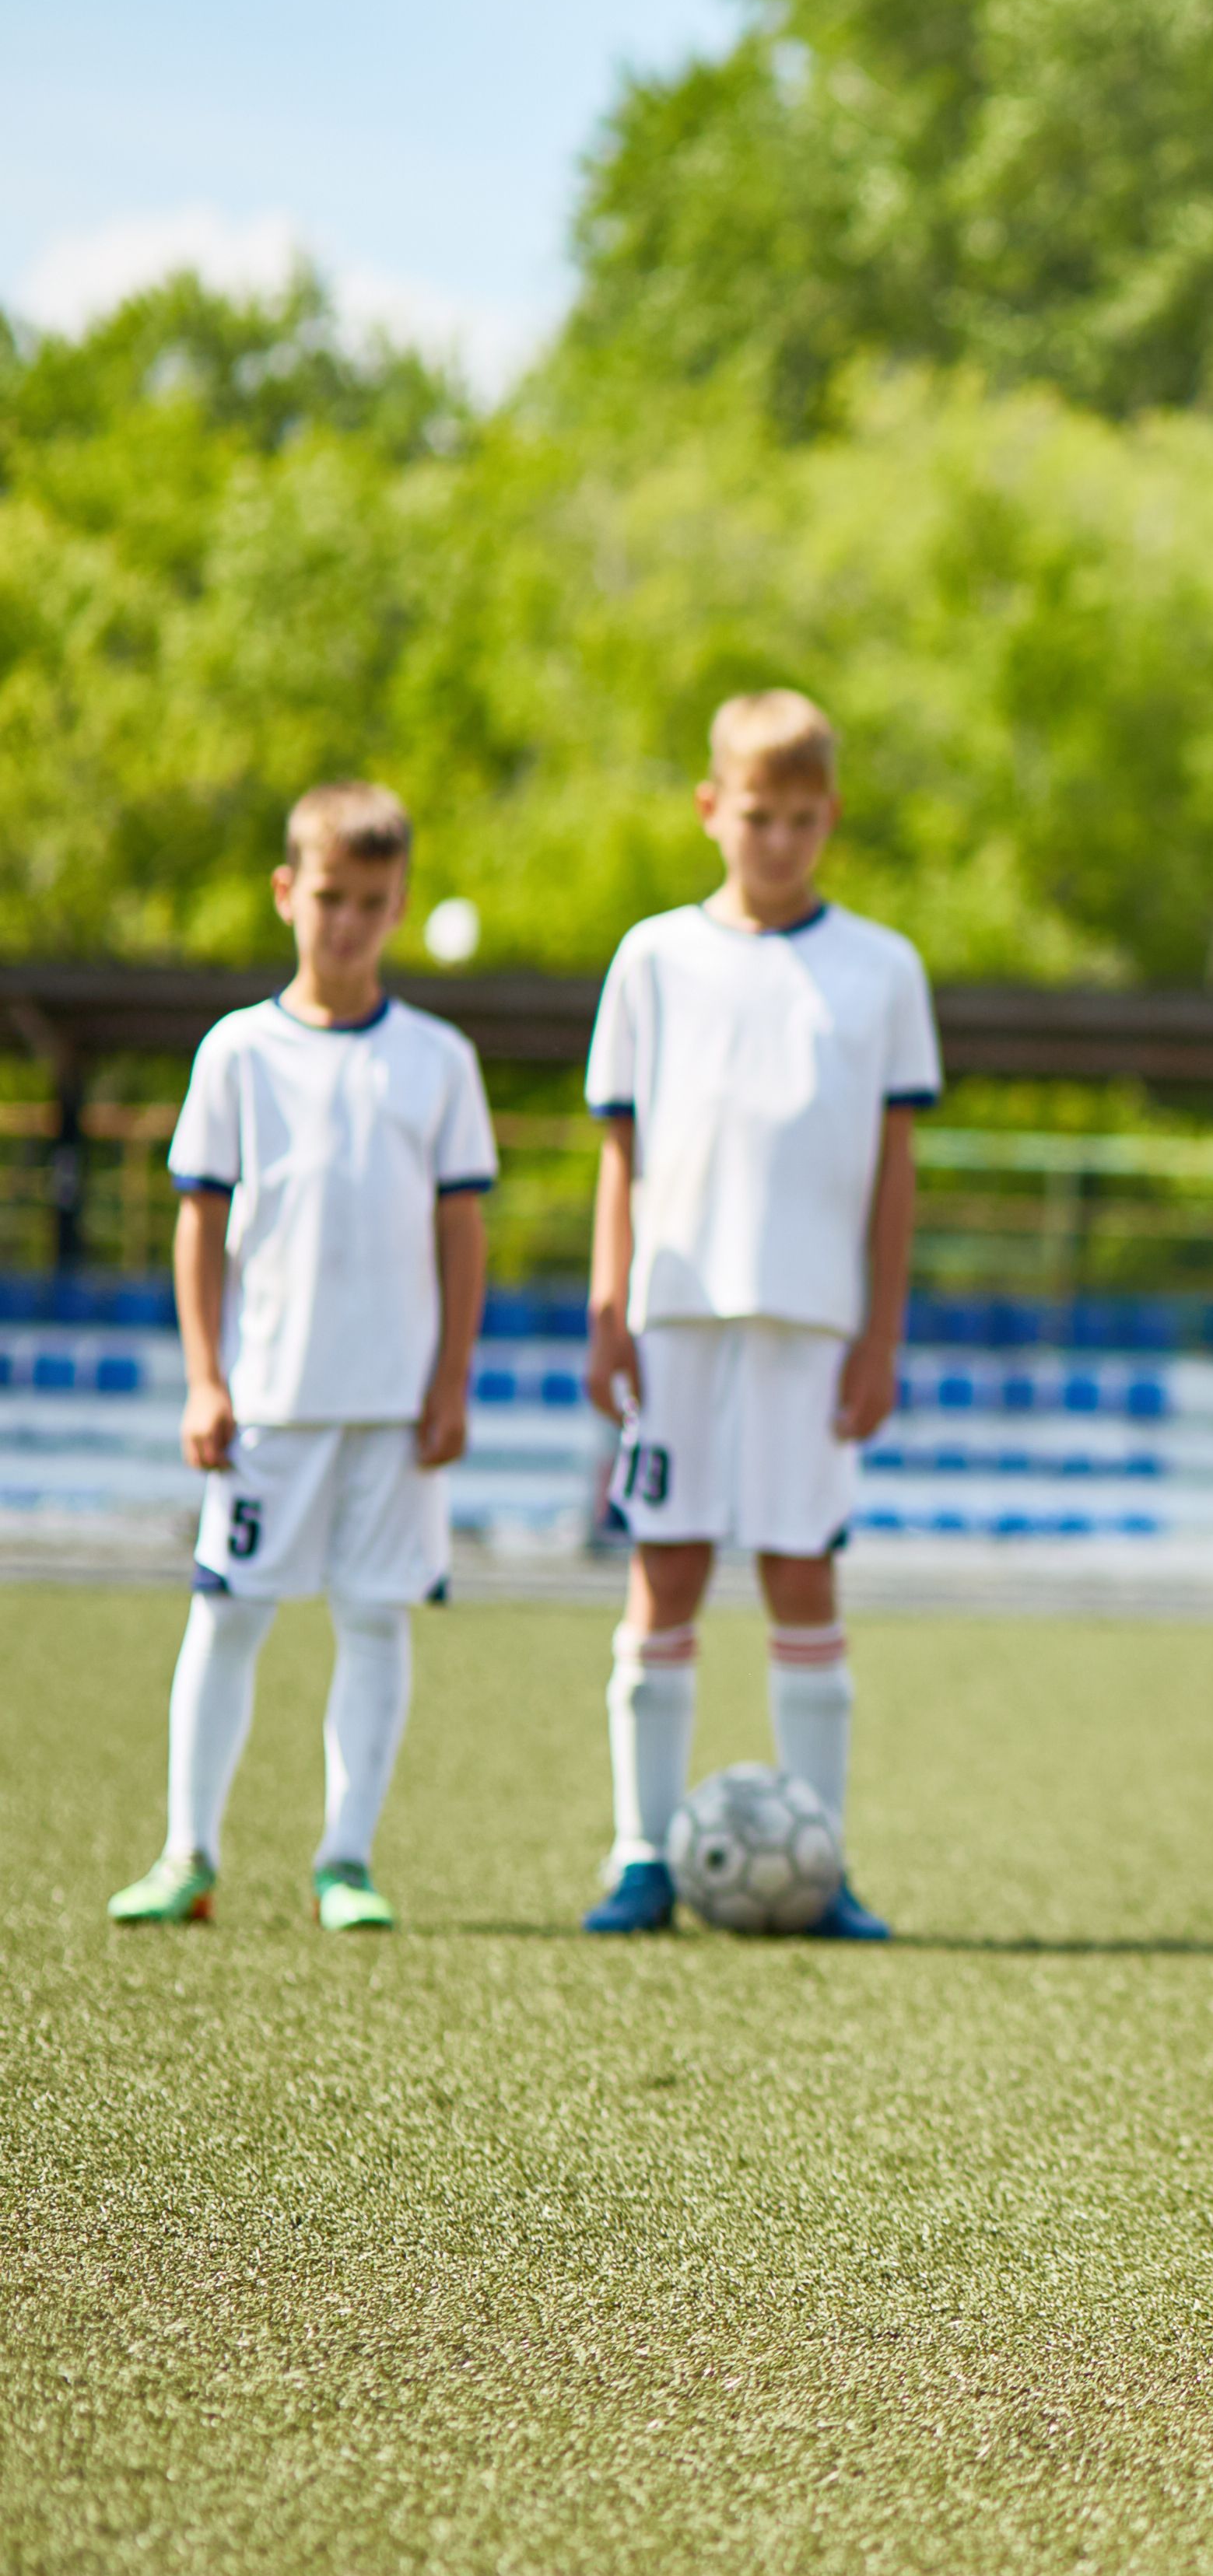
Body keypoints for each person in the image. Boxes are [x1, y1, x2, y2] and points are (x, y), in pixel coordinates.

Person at [577, 691, 939, 1938]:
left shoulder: (882, 968)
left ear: (829, 818)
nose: (776, 838)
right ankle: (639, 1855)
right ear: (710, 810)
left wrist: (881, 1332)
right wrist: (607, 1302)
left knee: (800, 1575)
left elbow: (896, 1168)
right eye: (754, 814)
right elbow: (619, 1148)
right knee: (664, 1567)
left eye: (799, 818)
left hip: (813, 1325)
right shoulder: (653, 959)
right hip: (676, 1314)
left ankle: (822, 1863)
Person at [108, 783, 493, 1934]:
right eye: (329, 897)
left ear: (400, 906)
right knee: (227, 1615)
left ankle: (345, 1860)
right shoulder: (239, 1053)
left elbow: (462, 1229)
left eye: (373, 904)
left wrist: (451, 1382)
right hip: (268, 1398)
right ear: (288, 893)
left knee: (375, 1619)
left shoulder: (438, 1059)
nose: (347, 923)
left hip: (394, 1404)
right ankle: (189, 1855)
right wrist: (206, 1375)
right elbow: (200, 1218)